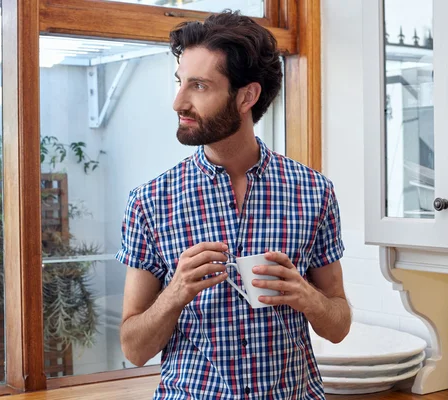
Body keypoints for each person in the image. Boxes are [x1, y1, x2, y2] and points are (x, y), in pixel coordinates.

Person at [116, 10, 351, 399]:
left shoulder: (313, 192)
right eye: (180, 83)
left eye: (199, 86)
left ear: (247, 96)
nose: (179, 101)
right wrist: (176, 292)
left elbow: (339, 326)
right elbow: (134, 349)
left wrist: (305, 296)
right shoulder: (151, 201)